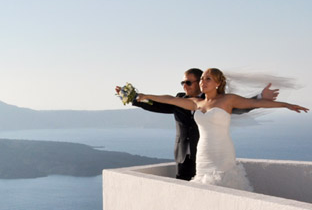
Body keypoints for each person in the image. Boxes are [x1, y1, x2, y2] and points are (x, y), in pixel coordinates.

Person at [136, 68, 308, 191]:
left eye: (207, 79)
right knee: (202, 188)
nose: (203, 82)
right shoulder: (196, 103)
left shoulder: (228, 100)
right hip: (202, 153)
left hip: (221, 151)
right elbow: (169, 99)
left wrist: (286, 105)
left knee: (225, 187)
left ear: (218, 83)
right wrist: (145, 96)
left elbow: (255, 103)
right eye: (202, 78)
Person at [116, 68, 278, 181]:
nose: (184, 86)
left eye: (188, 82)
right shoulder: (179, 99)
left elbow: (239, 108)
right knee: (183, 188)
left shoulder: (215, 100)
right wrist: (132, 97)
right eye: (182, 83)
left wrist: (259, 98)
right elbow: (158, 105)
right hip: (183, 155)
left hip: (208, 156)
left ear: (199, 82)